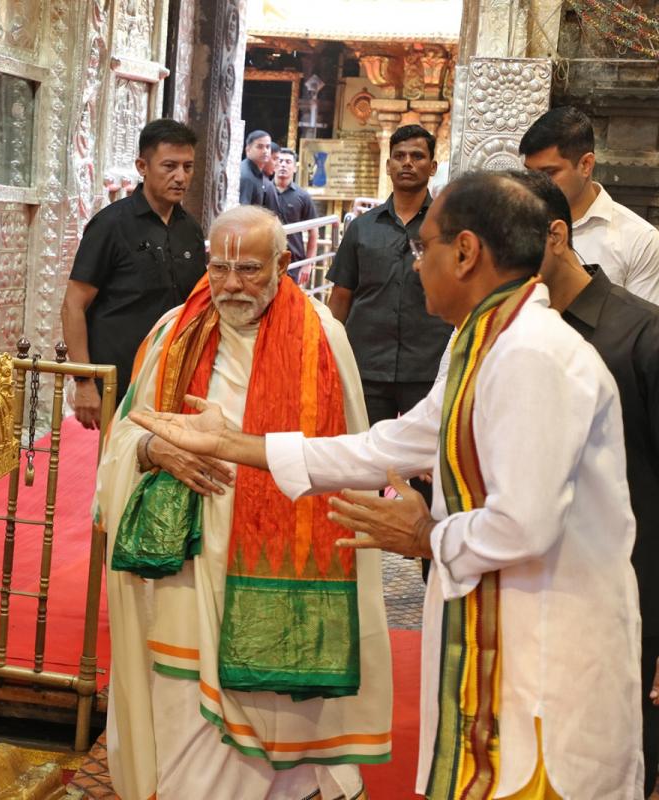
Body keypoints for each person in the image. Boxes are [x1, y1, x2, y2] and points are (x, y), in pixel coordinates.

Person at [132, 171, 643, 798]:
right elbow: (387, 446)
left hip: (543, 650)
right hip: (496, 637)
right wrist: (231, 444)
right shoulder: (482, 341)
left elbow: (523, 525)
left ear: (465, 252)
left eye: (421, 247)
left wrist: (425, 535)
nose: (413, 262)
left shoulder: (531, 353)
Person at [98, 205, 392, 800]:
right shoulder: (172, 332)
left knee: (280, 710)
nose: (231, 284)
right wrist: (156, 449)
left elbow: (352, 457)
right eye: (220, 267)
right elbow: (124, 434)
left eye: (249, 270)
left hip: (286, 564)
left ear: (284, 265)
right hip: (187, 564)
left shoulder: (324, 338)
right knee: (184, 705)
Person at [509, 169, 659, 797]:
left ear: (556, 237)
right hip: (530, 590)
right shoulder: (505, 333)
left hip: (631, 582)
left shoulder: (641, 336)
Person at [61, 118, 206, 429]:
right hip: (120, 379)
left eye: (188, 167)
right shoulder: (111, 225)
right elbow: (74, 304)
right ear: (142, 166)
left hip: (174, 376)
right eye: (169, 166)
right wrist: (85, 382)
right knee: (118, 471)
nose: (180, 176)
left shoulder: (190, 229)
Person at [327, 124, 452, 427]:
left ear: (432, 166)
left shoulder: (448, 228)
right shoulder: (362, 227)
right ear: (388, 165)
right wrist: (328, 354)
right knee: (362, 460)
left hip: (427, 367)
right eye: (399, 156)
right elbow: (341, 297)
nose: (407, 163)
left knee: (423, 467)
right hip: (366, 364)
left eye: (417, 156)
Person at [519, 106, 659, 303]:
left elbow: (643, 328)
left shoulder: (639, 240)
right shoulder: (515, 223)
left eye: (549, 173)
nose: (536, 183)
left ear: (586, 165)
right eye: (530, 173)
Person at [272, 147, 319, 280]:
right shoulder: (264, 191)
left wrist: (307, 264)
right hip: (267, 258)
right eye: (280, 161)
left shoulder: (302, 196)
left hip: (293, 262)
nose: (283, 165)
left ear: (295, 168)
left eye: (288, 162)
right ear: (274, 164)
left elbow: (313, 231)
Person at [238, 130, 280, 212]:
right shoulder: (246, 176)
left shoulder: (258, 174)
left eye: (268, 147)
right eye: (260, 147)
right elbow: (242, 214)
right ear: (248, 150)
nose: (265, 151)